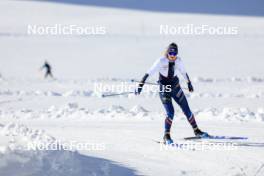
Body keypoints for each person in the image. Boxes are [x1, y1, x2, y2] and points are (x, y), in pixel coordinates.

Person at [135, 43, 208, 144]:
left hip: (175, 87)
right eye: (170, 53)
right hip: (165, 89)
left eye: (175, 53)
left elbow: (184, 72)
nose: (172, 55)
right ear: (167, 53)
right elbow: (149, 73)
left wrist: (189, 83)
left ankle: (197, 131)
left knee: (187, 109)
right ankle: (166, 135)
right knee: (170, 113)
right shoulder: (161, 61)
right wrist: (140, 86)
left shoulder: (178, 61)